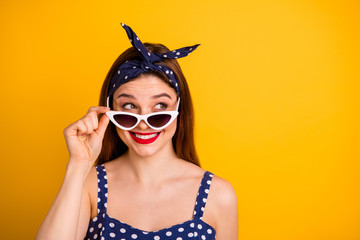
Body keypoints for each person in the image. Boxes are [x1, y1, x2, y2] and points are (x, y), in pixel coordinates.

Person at [36, 23, 238, 240]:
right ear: (109, 110)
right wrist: (78, 165)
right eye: (129, 107)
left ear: (180, 109)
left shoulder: (219, 195)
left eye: (160, 106)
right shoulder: (88, 184)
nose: (143, 123)